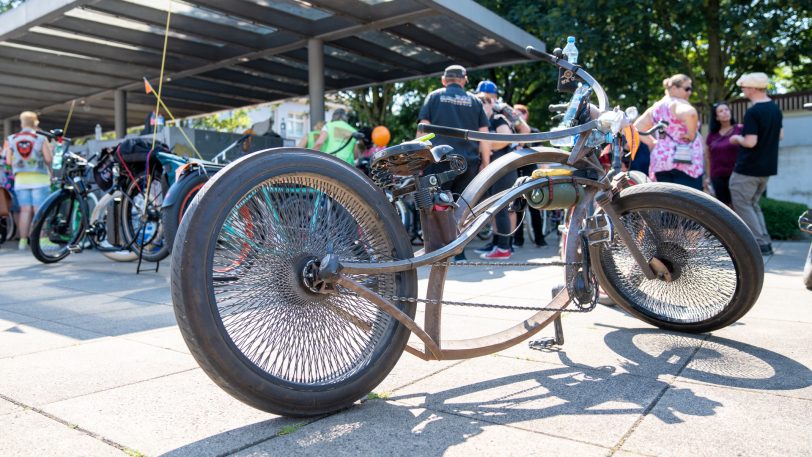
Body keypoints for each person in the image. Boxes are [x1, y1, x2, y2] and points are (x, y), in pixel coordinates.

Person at [417, 65, 491, 261]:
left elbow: (422, 131)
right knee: (462, 206)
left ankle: (436, 251)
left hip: (438, 160)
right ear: (464, 80)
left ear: (444, 80)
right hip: (468, 162)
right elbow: (484, 135)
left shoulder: (434, 97)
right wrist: (486, 162)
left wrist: (419, 161)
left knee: (436, 205)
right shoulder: (475, 101)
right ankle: (460, 252)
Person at [728, 72, 783, 256]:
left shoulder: (753, 111)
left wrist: (737, 137)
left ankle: (758, 243)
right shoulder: (775, 109)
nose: (742, 90)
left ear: (751, 88)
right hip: (766, 168)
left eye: (743, 87)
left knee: (743, 204)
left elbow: (751, 142)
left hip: (748, 167)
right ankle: (765, 241)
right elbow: (780, 135)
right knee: (753, 204)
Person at [472, 91, 531, 260]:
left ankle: (504, 248)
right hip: (493, 169)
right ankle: (497, 244)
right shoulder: (482, 121)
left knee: (501, 208)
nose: (482, 106)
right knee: (494, 209)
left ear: (491, 103)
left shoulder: (498, 119)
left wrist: (487, 146)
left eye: (485, 102)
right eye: (480, 102)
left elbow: (505, 138)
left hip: (503, 168)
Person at [634, 74, 704, 189]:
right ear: (673, 88)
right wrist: (691, 134)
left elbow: (636, 128)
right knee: (688, 204)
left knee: (667, 204)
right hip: (685, 163)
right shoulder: (677, 103)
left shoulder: (655, 108)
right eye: (687, 88)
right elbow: (691, 114)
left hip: (661, 162)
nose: (690, 92)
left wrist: (652, 143)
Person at [3, 111, 53, 250]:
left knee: (25, 211)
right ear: (35, 122)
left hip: (21, 180)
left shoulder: (12, 139)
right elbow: (48, 159)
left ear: (21, 123)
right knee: (40, 210)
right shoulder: (40, 138)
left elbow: (8, 161)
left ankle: (23, 242)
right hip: (40, 178)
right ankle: (42, 241)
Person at [508, 103, 546, 248]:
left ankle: (540, 239)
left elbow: (541, 153)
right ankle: (518, 240)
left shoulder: (533, 132)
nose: (517, 117)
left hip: (531, 173)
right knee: (516, 207)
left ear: (526, 115)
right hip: (516, 173)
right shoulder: (510, 133)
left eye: (520, 114)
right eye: (515, 114)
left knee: (535, 206)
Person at [704, 102, 743, 206]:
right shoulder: (712, 135)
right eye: (721, 111)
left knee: (739, 206)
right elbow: (708, 157)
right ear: (716, 117)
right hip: (717, 176)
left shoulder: (740, 129)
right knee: (724, 208)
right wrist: (708, 177)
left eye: (726, 109)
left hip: (737, 175)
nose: (725, 112)